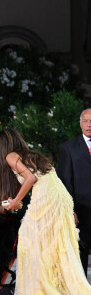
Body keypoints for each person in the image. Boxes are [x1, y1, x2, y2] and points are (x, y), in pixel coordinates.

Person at [0, 128, 91, 295]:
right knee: (54, 243)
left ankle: (39, 286)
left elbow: (30, 179)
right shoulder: (31, 155)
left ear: (1, 145)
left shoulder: (10, 156)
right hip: (61, 197)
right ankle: (56, 283)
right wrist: (15, 201)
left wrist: (15, 201)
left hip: (47, 197)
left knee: (28, 238)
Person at [57, 108, 91, 275]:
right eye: (85, 121)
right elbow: (64, 182)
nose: (89, 125)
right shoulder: (68, 148)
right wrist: (71, 210)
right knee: (80, 254)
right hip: (81, 211)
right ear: (80, 123)